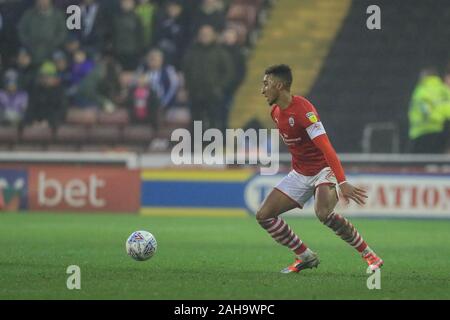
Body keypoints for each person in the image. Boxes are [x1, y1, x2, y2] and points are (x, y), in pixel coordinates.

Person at [258, 64, 383, 273]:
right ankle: (305, 256)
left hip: (323, 169)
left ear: (279, 86)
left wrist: (342, 182)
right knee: (264, 215)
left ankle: (370, 256)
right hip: (300, 172)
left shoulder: (304, 111)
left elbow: (327, 148)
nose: (262, 90)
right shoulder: (275, 113)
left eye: (266, 84)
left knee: (323, 213)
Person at [408, 67, 450, 153]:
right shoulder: (444, 90)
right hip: (442, 130)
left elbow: (425, 111)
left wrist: (434, 118)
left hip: (422, 132)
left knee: (419, 163)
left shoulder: (422, 91)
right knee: (438, 161)